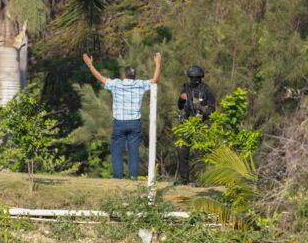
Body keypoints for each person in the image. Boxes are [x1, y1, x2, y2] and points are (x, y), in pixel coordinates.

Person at [83, 52, 162, 180]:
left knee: (117, 151)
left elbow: (100, 78)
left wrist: (90, 66)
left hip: (119, 122)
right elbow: (155, 80)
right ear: (134, 76)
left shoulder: (116, 84)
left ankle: (118, 177)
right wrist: (158, 64)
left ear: (124, 75)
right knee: (134, 152)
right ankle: (133, 177)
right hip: (134, 123)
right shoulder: (140, 84)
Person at [175, 65, 216, 185]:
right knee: (182, 151)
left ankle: (200, 180)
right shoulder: (186, 88)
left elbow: (212, 107)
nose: (194, 80)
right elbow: (179, 106)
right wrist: (181, 99)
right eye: (192, 77)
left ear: (200, 78)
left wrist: (203, 116)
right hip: (188, 123)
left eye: (196, 77)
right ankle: (184, 179)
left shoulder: (206, 89)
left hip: (202, 124)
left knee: (200, 153)